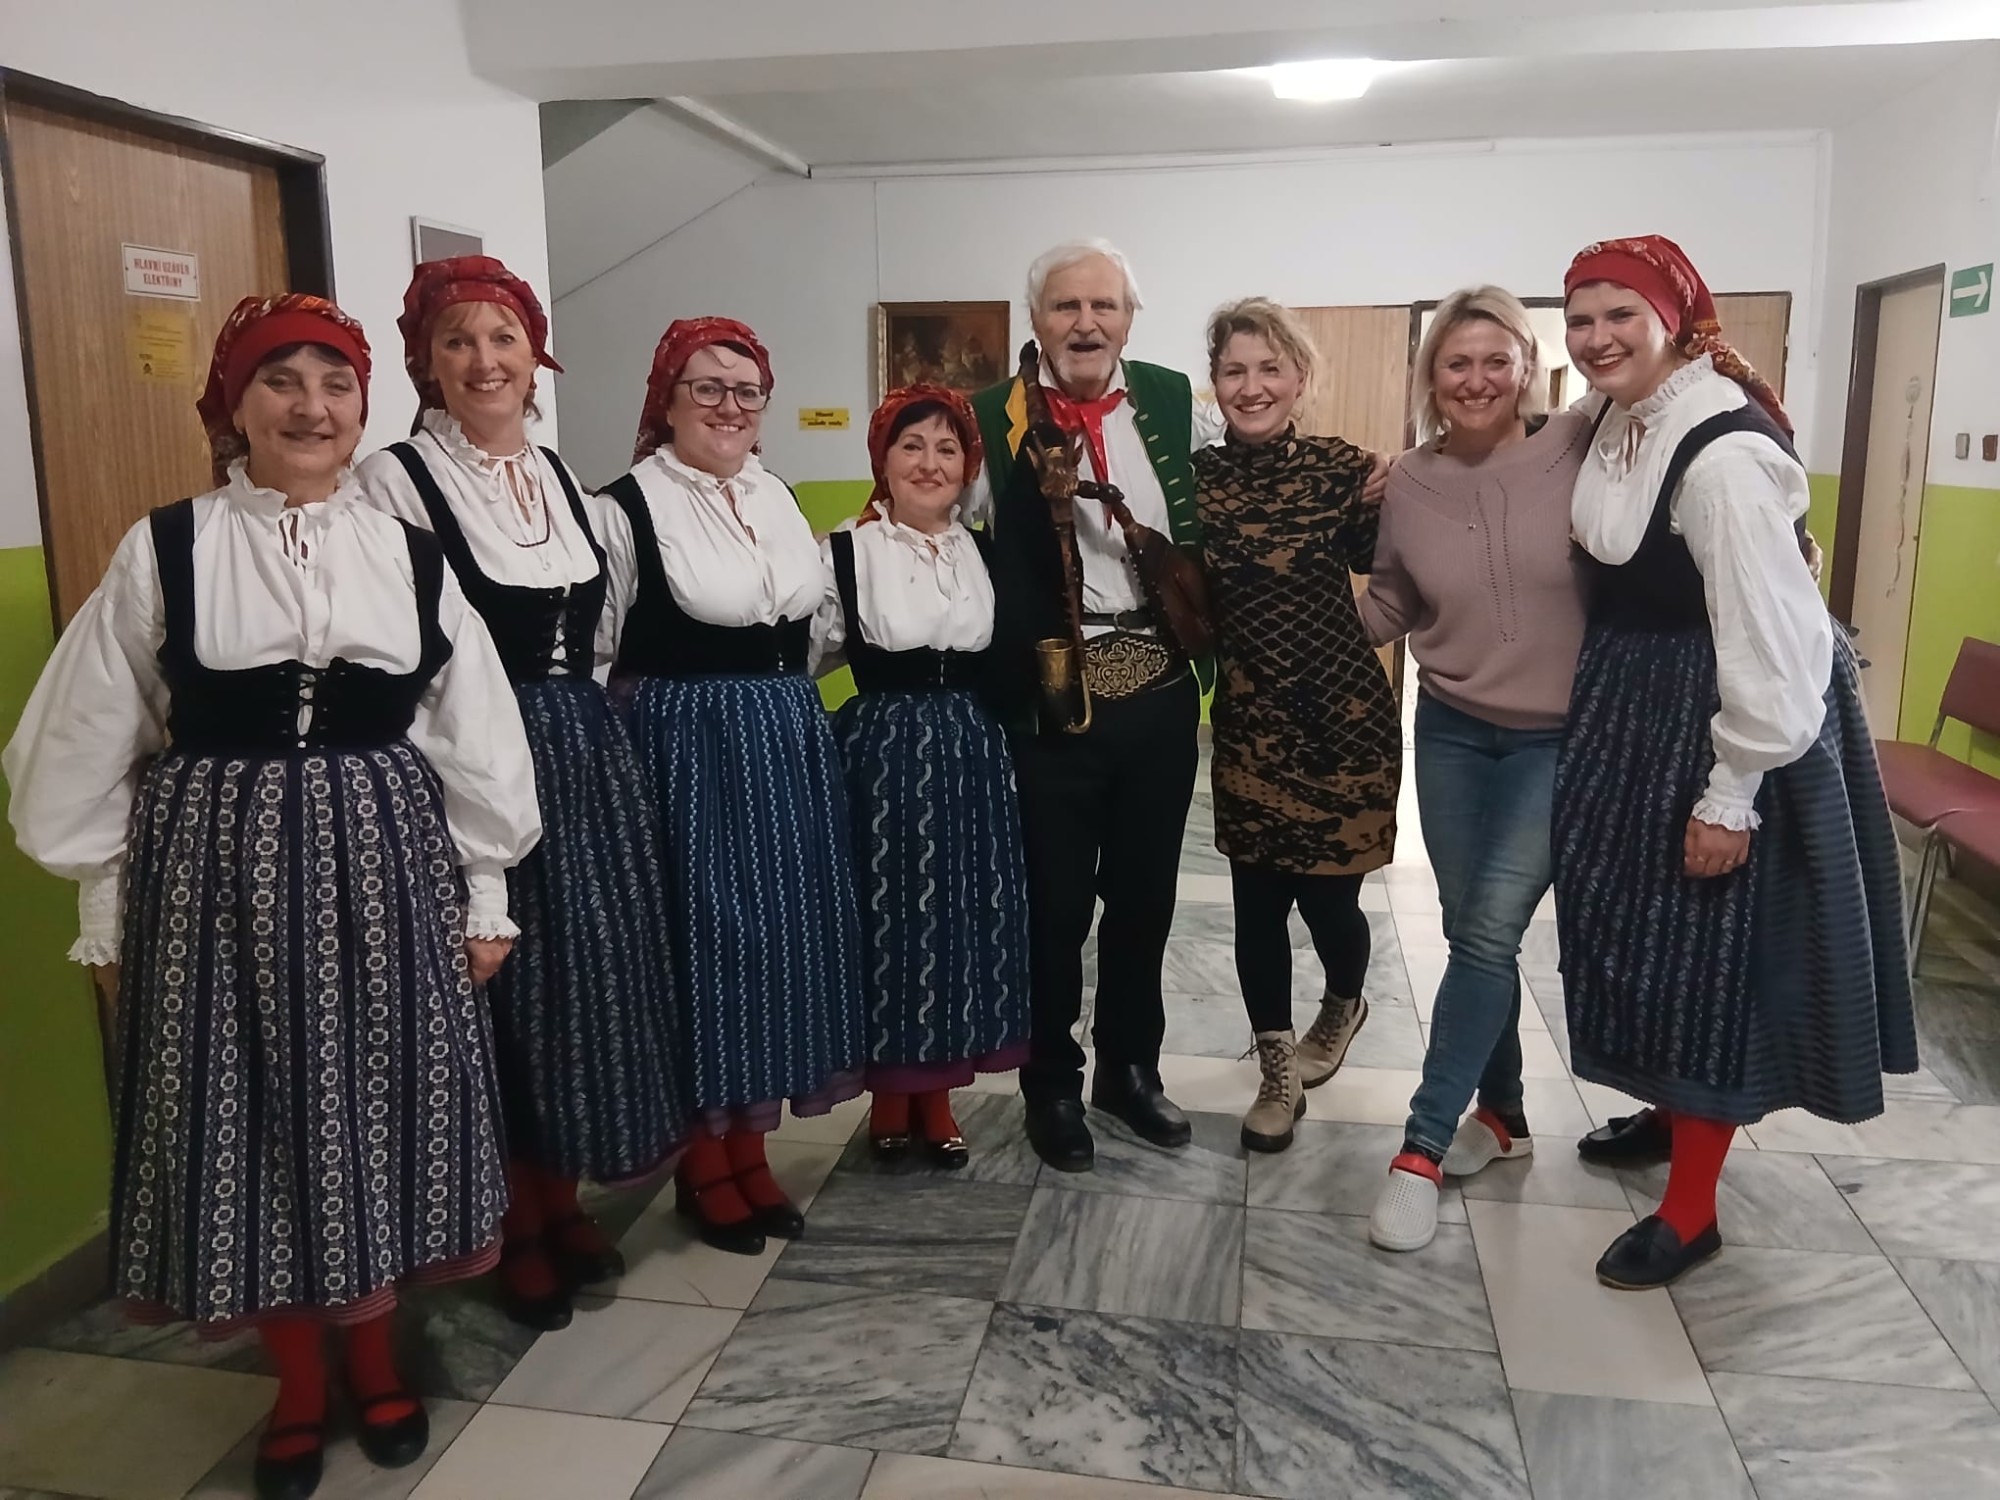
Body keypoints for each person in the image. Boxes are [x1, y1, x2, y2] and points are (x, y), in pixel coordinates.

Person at [3, 294, 540, 1500]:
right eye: (281, 382)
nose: (311, 407)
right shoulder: (167, 550)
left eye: (335, 384)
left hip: (386, 871)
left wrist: (486, 889)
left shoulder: (407, 553)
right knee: (249, 1127)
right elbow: (88, 733)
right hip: (216, 885)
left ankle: (378, 1363)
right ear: (233, 406)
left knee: (380, 1109)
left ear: (362, 405)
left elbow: (472, 729)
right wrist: (101, 908)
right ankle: (297, 1387)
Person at [1555, 235, 1915, 1289]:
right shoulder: (1621, 417)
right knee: (1645, 934)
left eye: (1620, 314)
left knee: (1707, 956)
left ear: (1673, 320)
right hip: (1640, 707)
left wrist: (1729, 794)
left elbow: (1771, 640)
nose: (1596, 337)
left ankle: (1691, 1211)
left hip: (1720, 720)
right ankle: (1669, 1112)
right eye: (1580, 319)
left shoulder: (1718, 458)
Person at [356, 257, 688, 1330]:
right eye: (457, 340)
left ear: (534, 354)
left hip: (581, 756)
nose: (483, 360)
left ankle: (558, 1196)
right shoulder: (393, 482)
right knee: (493, 997)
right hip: (463, 763)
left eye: (502, 337)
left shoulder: (557, 475)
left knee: (578, 991)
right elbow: (390, 648)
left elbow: (601, 631)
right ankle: (508, 1219)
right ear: (425, 361)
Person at [593, 317, 865, 1254]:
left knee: (780, 947)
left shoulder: (776, 494)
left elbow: (815, 629)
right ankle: (704, 1165)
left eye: (747, 390)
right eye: (706, 387)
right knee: (709, 950)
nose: (730, 406)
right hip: (687, 749)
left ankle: (750, 1150)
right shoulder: (625, 507)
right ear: (666, 401)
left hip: (785, 739)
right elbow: (595, 652)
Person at [965, 239, 1222, 1172]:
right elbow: (941, 524)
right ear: (1035, 320)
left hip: (1159, 685)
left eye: (1104, 306)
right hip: (1048, 694)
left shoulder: (1175, 402)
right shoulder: (989, 417)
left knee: (1147, 898)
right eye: (1066, 306)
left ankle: (1129, 1068)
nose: (1086, 324)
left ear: (1129, 318)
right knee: (1056, 905)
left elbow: (1243, 483)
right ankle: (1050, 1083)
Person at [1354, 286, 1594, 1250]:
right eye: (1458, 362)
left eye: (1498, 360)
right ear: (1431, 375)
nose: (1478, 379)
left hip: (1557, 738)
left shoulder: (1579, 444)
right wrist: (1282, 611)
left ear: (1528, 367)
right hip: (1451, 730)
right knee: (1470, 933)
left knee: (1490, 931)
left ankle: (1418, 1150)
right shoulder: (1408, 482)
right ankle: (1504, 1115)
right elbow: (1392, 605)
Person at [1192, 298, 1392, 1153]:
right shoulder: (1196, 480)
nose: (1253, 386)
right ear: (1214, 382)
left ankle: (1344, 1003)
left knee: (1330, 905)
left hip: (1344, 723)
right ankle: (1277, 1071)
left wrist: (1412, 478)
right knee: (1257, 908)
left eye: (1270, 368)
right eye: (1234, 370)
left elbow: (1399, 565)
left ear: (1300, 378)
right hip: (1249, 724)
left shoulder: (1346, 470)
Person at [813, 384, 1031, 1166]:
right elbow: (803, 658)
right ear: (883, 459)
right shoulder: (845, 550)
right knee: (889, 924)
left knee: (958, 922)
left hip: (970, 754)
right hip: (881, 758)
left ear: (968, 465)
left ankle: (936, 1097)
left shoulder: (983, 551)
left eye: (947, 449)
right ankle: (889, 1097)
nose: (930, 464)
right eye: (912, 446)